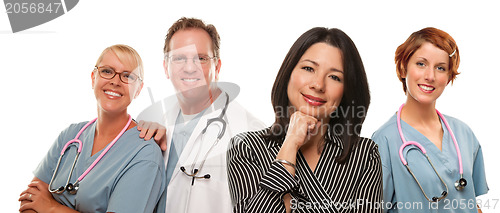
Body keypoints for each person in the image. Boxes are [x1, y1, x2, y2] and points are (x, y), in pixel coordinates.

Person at [227, 27, 382, 213]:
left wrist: (289, 202)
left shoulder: (364, 154)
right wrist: (290, 145)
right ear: (289, 74)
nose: (318, 84)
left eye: (335, 77)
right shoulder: (246, 147)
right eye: (308, 68)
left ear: (346, 91)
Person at [136, 17, 264, 213]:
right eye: (179, 58)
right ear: (166, 67)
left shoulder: (252, 133)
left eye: (201, 58)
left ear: (217, 67)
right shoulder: (158, 125)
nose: (189, 67)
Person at [18, 44, 166, 213]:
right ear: (93, 77)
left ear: (138, 89)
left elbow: (40, 203)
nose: (115, 81)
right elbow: (29, 200)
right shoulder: (70, 136)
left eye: (127, 76)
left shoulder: (144, 152)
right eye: (107, 71)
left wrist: (50, 207)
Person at [371, 27, 489, 212]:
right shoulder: (384, 140)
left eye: (440, 68)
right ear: (403, 68)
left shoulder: (463, 133)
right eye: (421, 64)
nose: (430, 76)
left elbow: (470, 201)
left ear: (449, 76)